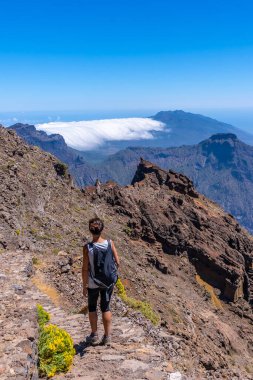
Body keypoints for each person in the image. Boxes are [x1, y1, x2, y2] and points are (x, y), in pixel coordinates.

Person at [82, 217, 120, 346]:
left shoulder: (87, 247)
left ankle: (94, 335)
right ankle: (107, 336)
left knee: (92, 308)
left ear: (90, 230)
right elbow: (117, 261)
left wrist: (84, 285)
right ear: (102, 229)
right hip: (108, 282)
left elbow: (85, 268)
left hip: (93, 283)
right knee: (106, 308)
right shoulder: (110, 243)